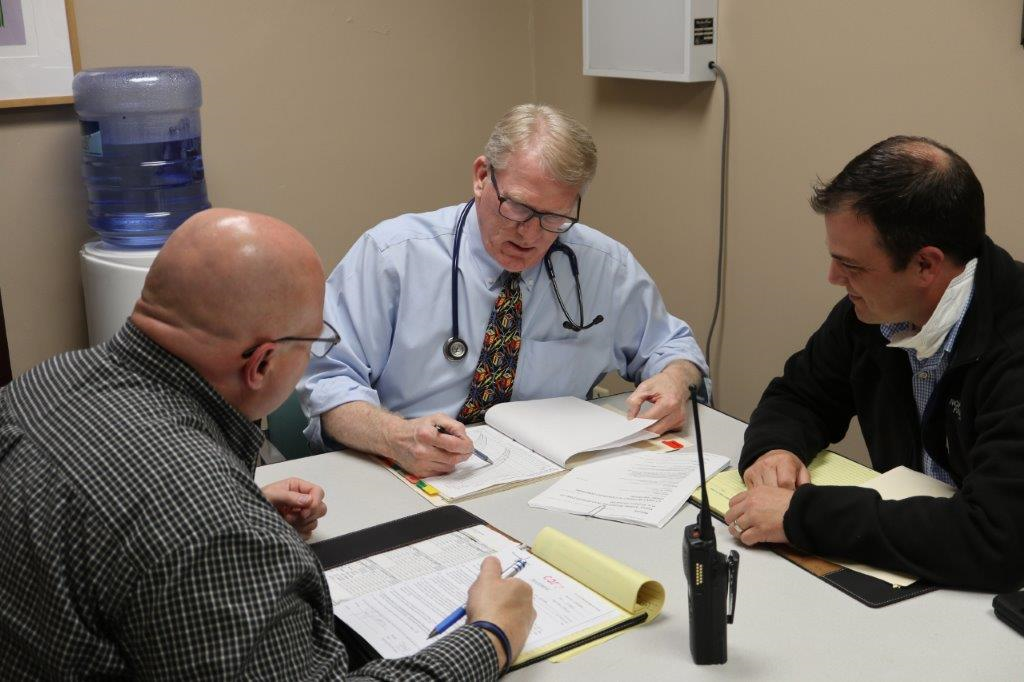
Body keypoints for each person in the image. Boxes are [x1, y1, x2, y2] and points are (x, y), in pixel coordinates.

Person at [0, 209, 535, 678]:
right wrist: (489, 637)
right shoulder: (206, 521)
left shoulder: (46, 381)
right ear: (261, 363)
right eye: (315, 343)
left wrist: (240, 505)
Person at [301, 104, 708, 476]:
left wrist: (675, 379)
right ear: (482, 177)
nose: (530, 233)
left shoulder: (603, 265)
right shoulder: (393, 256)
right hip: (404, 468)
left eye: (554, 217)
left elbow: (673, 349)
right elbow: (327, 383)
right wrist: (396, 436)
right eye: (517, 207)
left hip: (548, 476)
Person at [725, 136, 1024, 591]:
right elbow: (800, 394)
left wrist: (801, 516)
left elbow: (994, 538)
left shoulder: (1012, 344)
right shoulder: (872, 314)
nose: (833, 278)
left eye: (852, 266)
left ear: (926, 265)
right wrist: (776, 449)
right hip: (912, 570)